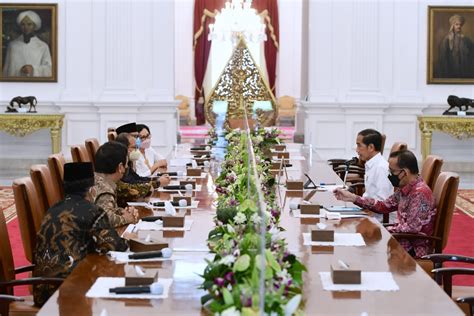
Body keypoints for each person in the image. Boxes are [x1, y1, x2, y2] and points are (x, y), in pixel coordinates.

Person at [32, 162, 128, 306]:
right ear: (92, 189)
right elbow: (116, 246)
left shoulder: (52, 209)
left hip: (41, 292)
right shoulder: (92, 211)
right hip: (71, 291)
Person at [334, 150, 436, 258]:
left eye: (392, 172)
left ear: (404, 172)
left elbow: (412, 228)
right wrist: (353, 198)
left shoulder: (419, 193)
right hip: (399, 242)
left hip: (412, 250)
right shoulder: (406, 188)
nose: (390, 175)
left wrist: (383, 229)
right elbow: (384, 206)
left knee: (363, 251)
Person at [89, 141, 139, 227]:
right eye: (126, 163)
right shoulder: (105, 190)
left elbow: (105, 209)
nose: (127, 167)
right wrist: (127, 219)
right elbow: (104, 219)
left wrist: (122, 211)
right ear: (120, 167)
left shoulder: (94, 179)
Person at [3, 10, 52, 77]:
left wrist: (33, 69)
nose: (26, 27)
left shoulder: (43, 46)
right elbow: (6, 70)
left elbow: (49, 69)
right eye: (23, 24)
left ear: (35, 26)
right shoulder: (12, 45)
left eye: (29, 24)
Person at [355, 129, 393, 202]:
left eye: (359, 146)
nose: (357, 150)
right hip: (368, 208)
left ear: (371, 147)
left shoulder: (381, 168)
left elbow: (383, 201)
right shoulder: (371, 164)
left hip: (374, 212)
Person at [437, 14, 474, 78]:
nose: (459, 26)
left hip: (464, 71)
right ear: (452, 26)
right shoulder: (447, 40)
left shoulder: (466, 40)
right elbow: (443, 57)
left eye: (460, 25)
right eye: (457, 24)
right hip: (451, 70)